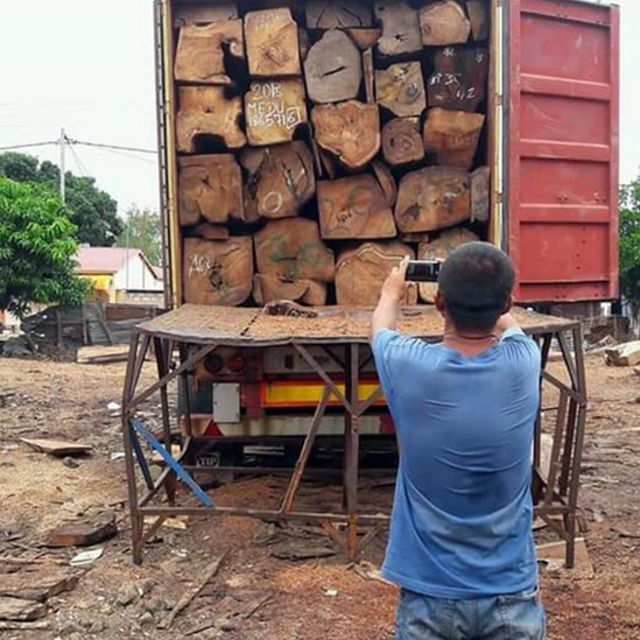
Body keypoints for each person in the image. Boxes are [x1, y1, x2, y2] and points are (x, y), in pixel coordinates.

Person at [370, 242, 545, 640]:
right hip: (511, 595)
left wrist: (392, 290)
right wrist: (481, 287)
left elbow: (381, 327)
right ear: (507, 302)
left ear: (438, 303)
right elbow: (510, 324)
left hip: (429, 597)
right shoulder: (524, 361)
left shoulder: (406, 364)